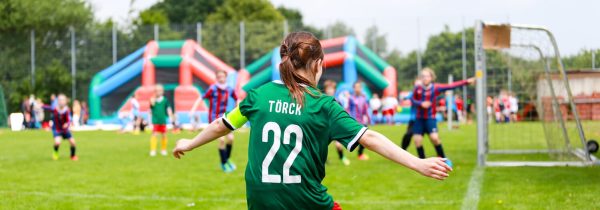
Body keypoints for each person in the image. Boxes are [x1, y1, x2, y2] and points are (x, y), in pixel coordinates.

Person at [172, 32, 451, 210]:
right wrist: (417, 163)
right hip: (305, 201)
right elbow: (370, 137)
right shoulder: (323, 105)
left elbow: (224, 123)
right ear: (318, 65)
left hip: (259, 198)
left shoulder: (258, 95)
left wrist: (191, 142)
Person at [411, 67, 474, 167]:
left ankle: (443, 159)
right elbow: (412, 100)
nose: (425, 78)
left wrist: (466, 82)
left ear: (431, 77)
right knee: (417, 140)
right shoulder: (417, 88)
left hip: (430, 118)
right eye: (423, 76)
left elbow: (452, 86)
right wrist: (421, 103)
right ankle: (422, 162)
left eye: (427, 76)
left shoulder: (435, 88)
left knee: (434, 138)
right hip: (419, 119)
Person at [191, 70, 238, 172]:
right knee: (221, 140)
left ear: (226, 77)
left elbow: (236, 98)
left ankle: (227, 160)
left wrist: (236, 109)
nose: (221, 78)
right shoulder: (212, 89)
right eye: (219, 77)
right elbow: (201, 98)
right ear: (217, 78)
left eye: (223, 76)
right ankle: (224, 163)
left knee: (230, 139)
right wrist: (193, 109)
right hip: (214, 118)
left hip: (225, 117)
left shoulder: (229, 89)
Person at [323, 79, 351, 166]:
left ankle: (342, 157)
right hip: (324, 127)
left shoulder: (337, 101)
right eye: (328, 89)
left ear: (334, 90)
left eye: (332, 89)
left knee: (338, 145)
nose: (330, 91)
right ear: (325, 90)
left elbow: (341, 112)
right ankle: (323, 160)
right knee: (322, 146)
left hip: (334, 127)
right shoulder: (322, 100)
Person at [43, 94, 78, 161]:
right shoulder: (55, 109)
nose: (61, 101)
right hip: (57, 129)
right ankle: (55, 153)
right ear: (58, 101)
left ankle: (72, 156)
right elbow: (48, 107)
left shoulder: (67, 110)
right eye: (60, 100)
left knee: (73, 143)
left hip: (65, 130)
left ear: (65, 101)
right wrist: (41, 105)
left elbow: (69, 120)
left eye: (63, 100)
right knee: (57, 143)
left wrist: (66, 124)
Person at [149, 84, 175, 157]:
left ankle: (163, 150)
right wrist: (149, 121)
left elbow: (168, 109)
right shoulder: (152, 100)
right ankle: (153, 150)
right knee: (154, 134)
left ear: (162, 91)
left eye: (160, 90)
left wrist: (171, 117)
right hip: (155, 121)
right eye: (156, 91)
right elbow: (150, 111)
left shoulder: (165, 100)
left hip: (162, 120)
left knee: (164, 135)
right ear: (155, 91)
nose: (158, 92)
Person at [348, 82, 371, 160]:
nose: (357, 89)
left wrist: (368, 117)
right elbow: (347, 109)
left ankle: (360, 154)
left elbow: (365, 109)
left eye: (359, 87)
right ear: (353, 88)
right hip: (354, 121)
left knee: (366, 139)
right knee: (361, 139)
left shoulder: (363, 98)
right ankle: (359, 154)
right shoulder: (351, 98)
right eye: (356, 87)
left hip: (362, 122)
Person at [401, 78, 422, 150]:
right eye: (416, 85)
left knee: (433, 137)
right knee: (408, 135)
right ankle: (403, 150)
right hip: (414, 119)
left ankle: (441, 156)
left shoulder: (426, 94)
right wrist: (404, 98)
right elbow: (405, 98)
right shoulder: (412, 94)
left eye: (419, 84)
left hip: (424, 119)